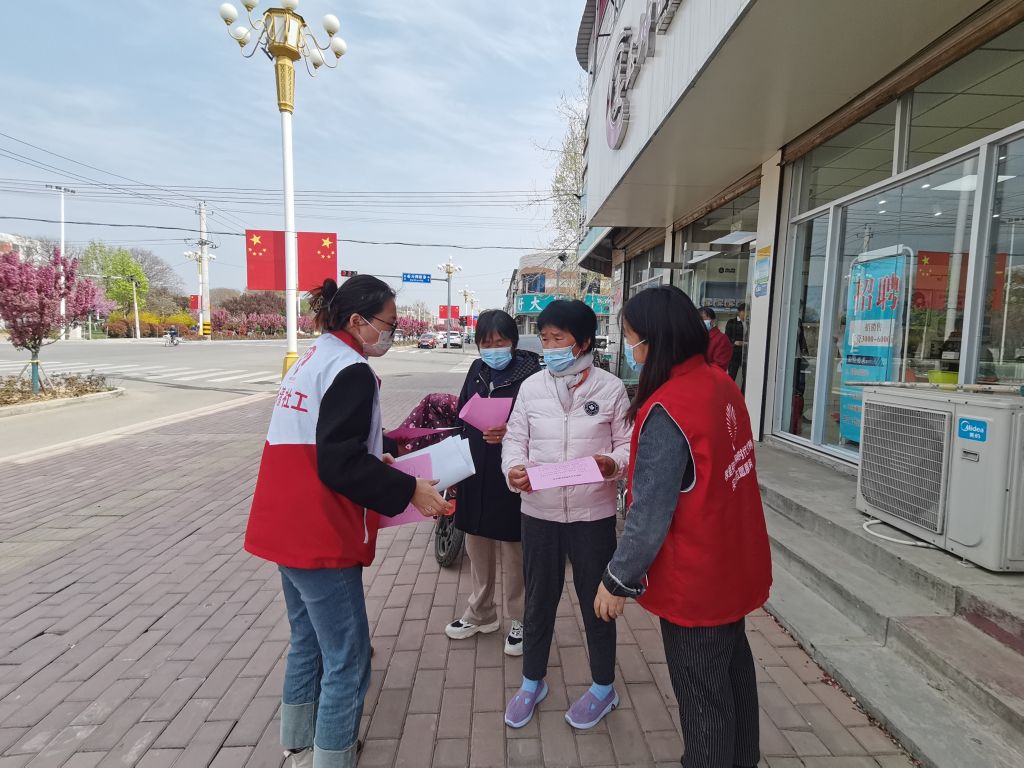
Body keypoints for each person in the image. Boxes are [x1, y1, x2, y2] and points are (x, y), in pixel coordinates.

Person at [244, 275, 451, 768]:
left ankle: (299, 744)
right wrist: (409, 489)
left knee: (308, 641)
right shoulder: (351, 369)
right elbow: (339, 463)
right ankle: (333, 757)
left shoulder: (315, 356)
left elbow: (328, 442)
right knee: (348, 658)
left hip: (285, 522)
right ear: (358, 320)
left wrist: (381, 455)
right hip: (319, 530)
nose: (392, 333)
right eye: (389, 323)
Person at [594, 285, 772, 768]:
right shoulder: (720, 383)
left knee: (704, 698)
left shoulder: (669, 406)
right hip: (732, 564)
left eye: (630, 337)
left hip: (697, 580)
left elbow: (650, 511)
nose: (629, 348)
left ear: (653, 340)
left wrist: (617, 579)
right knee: (735, 677)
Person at [501, 299, 631, 731]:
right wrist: (513, 469)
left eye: (559, 339)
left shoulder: (611, 389)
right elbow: (515, 439)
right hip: (539, 513)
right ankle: (532, 681)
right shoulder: (531, 388)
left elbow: (627, 445)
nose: (550, 347)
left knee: (598, 603)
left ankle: (603, 687)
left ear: (584, 342)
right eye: (545, 339)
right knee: (539, 600)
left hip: (593, 516)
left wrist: (613, 464)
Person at [445, 309, 542, 655]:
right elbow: (461, 414)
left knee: (514, 551)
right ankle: (481, 612)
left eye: (500, 342)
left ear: (513, 342)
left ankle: (521, 618)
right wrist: (453, 467)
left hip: (510, 473)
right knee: (477, 546)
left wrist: (510, 431)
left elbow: (542, 425)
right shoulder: (477, 370)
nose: (493, 349)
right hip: (474, 470)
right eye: (486, 343)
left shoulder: (533, 376)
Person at [701, 307, 732, 371]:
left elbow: (720, 365)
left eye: (704, 319)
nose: (701, 322)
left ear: (713, 321)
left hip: (709, 375)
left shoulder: (722, 339)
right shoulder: (696, 337)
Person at [726, 302, 748, 385]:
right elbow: (726, 337)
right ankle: (728, 391)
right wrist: (735, 342)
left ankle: (743, 392)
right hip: (734, 353)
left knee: (746, 376)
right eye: (744, 311)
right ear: (739, 312)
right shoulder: (732, 322)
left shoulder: (749, 323)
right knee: (732, 375)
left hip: (745, 353)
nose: (746, 314)